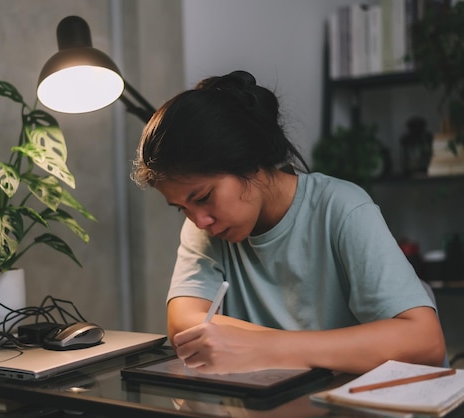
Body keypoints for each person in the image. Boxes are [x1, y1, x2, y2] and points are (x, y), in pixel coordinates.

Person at [130, 70, 446, 375]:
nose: (199, 220)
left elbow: (424, 342)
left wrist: (268, 349)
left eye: (202, 197)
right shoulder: (206, 227)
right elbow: (184, 324)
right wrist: (267, 346)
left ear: (250, 162)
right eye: (181, 208)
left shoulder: (342, 207)